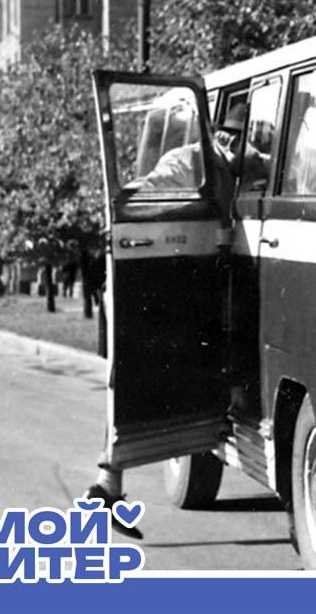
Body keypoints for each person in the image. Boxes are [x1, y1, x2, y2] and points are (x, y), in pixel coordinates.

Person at [83, 103, 249, 538]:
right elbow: (140, 197)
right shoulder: (187, 162)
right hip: (156, 282)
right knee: (138, 383)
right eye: (232, 135)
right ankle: (105, 488)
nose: (238, 144)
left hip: (199, 282)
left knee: (156, 382)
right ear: (218, 134)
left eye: (245, 137)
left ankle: (106, 488)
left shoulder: (243, 165)